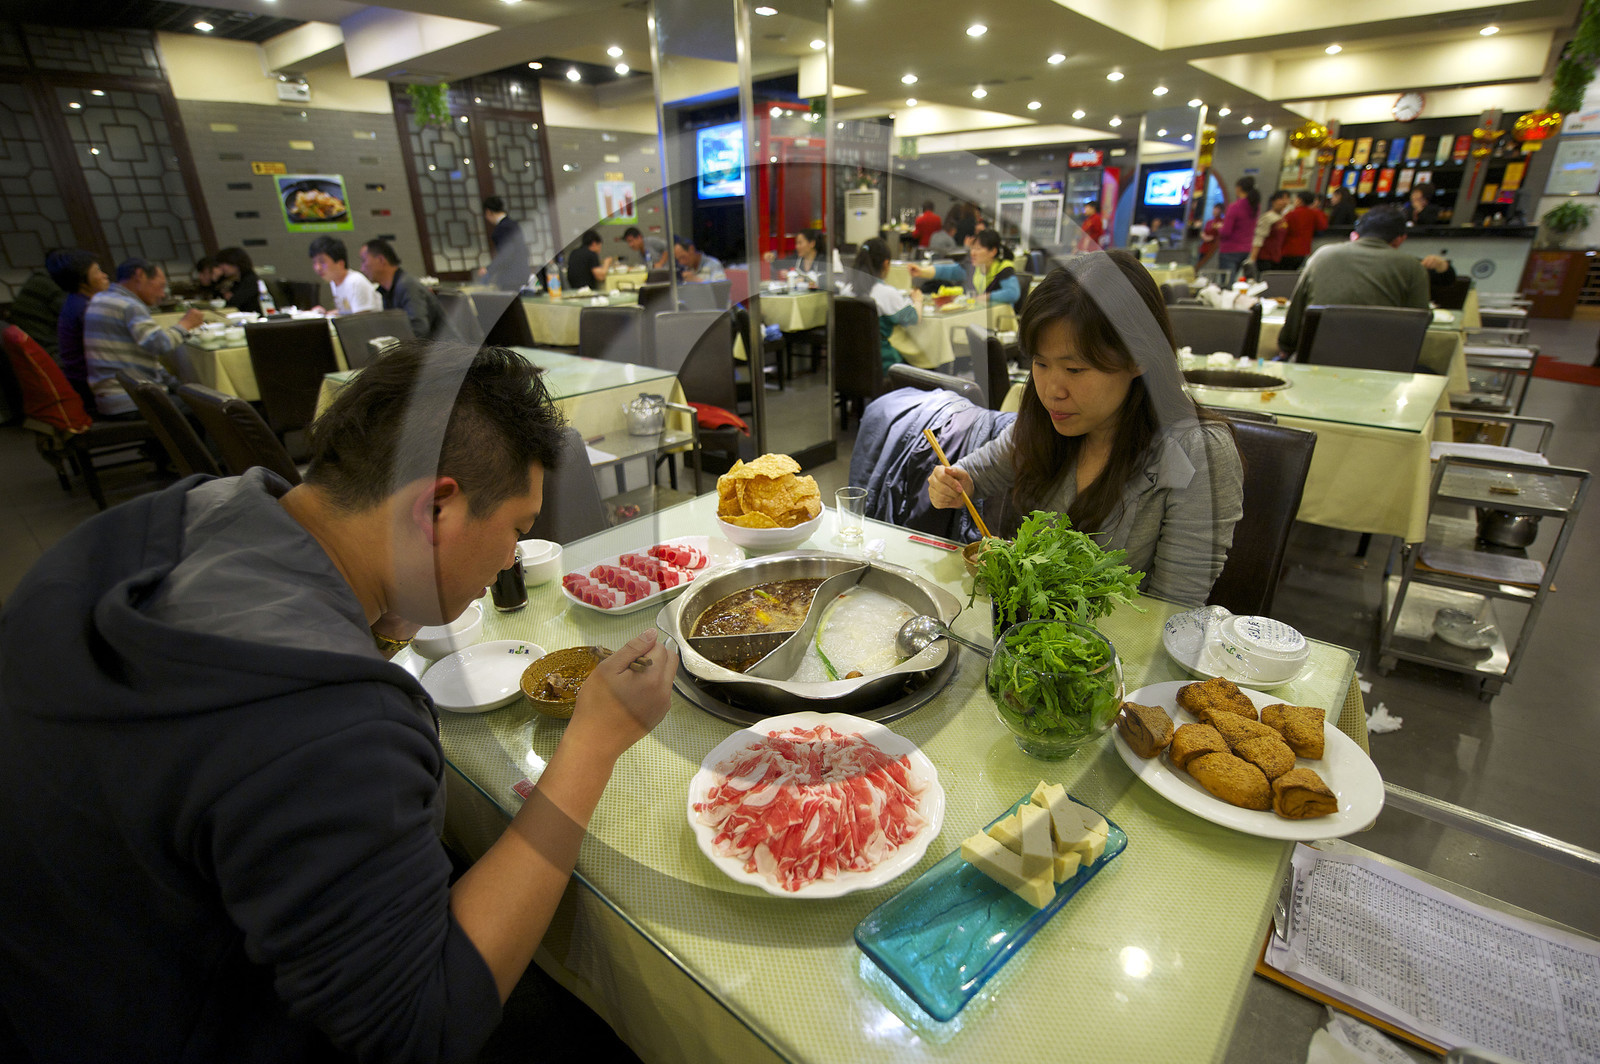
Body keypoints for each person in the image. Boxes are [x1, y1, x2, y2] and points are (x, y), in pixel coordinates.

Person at [0, 341, 678, 1061]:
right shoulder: (328, 720)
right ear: (437, 508)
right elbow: (423, 1027)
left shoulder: (185, 512)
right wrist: (591, 745)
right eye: (515, 528)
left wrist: (383, 608)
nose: (512, 556)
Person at [927, 251, 1243, 605]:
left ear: (1138, 358)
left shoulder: (1197, 453)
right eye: (1040, 363)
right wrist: (955, 482)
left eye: (1074, 369)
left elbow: (1171, 614)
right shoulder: (1049, 419)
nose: (1051, 391)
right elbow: (977, 472)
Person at [1276, 205, 1431, 358]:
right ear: (1399, 240)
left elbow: (1295, 313)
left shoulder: (1322, 256)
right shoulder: (1412, 267)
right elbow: (1418, 324)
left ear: (1356, 234)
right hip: (1381, 367)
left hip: (1314, 361)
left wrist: (1287, 347)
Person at [81, 258, 204, 417]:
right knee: (207, 410)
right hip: (131, 398)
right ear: (139, 275)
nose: (162, 294)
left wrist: (179, 386)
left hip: (110, 396)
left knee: (195, 399)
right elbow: (159, 344)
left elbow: (148, 359)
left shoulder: (100, 299)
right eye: (160, 286)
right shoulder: (129, 305)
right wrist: (186, 324)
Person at [45, 248, 110, 413]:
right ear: (82, 280)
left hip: (80, 382)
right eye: (98, 271)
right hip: (92, 389)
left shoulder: (75, 302)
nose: (105, 275)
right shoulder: (87, 309)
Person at [842, 236, 920, 373]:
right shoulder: (886, 293)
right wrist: (918, 300)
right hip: (882, 365)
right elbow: (913, 319)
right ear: (885, 264)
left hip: (847, 366)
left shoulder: (845, 291)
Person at [360, 238, 448, 340]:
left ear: (381, 260)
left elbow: (419, 332)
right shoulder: (387, 290)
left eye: (364, 261)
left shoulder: (407, 286)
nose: (362, 268)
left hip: (444, 351)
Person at [911, 229, 1021, 305]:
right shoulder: (974, 268)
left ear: (993, 251)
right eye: (972, 248)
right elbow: (949, 271)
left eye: (978, 249)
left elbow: (1012, 293)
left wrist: (986, 297)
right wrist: (921, 272)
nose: (973, 253)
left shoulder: (1004, 268)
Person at [308, 235, 382, 316]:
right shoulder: (334, 282)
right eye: (314, 262)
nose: (317, 268)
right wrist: (325, 314)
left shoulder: (355, 282)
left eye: (322, 262)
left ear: (340, 264)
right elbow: (347, 311)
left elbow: (362, 320)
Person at [479, 196, 532, 291]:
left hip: (510, 276)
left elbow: (506, 254)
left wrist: (488, 269)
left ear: (488, 212)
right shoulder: (513, 224)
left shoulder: (501, 228)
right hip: (522, 272)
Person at [1216, 177, 1259, 280]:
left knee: (1227, 282)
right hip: (1246, 249)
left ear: (1239, 188)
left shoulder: (1234, 207)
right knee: (1239, 281)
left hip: (1230, 249)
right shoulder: (1255, 207)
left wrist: (1219, 228)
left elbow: (1226, 232)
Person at [1278, 191, 1328, 270]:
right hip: (1304, 250)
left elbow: (1281, 230)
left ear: (1300, 200)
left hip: (1288, 250)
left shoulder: (1291, 214)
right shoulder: (1314, 213)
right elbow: (1323, 226)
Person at [764, 228, 828, 284]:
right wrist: (772, 258)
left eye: (800, 243)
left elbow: (824, 280)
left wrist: (804, 280)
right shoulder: (796, 259)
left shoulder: (823, 260)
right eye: (796, 243)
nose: (797, 247)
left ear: (812, 244)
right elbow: (780, 264)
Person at [1248, 189, 1290, 273]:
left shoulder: (1283, 218)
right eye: (1281, 199)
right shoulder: (1267, 217)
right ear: (1273, 201)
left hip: (1276, 257)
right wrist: (1252, 259)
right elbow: (1258, 238)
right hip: (1265, 258)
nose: (1284, 202)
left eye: (1287, 199)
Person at [213, 246, 264, 315]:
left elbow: (234, 302)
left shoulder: (250, 279)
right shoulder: (236, 281)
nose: (221, 268)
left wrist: (231, 297)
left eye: (223, 264)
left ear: (234, 262)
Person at [1195, 203, 1225, 272]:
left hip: (1213, 248)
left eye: (1217, 209)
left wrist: (1213, 237)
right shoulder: (1209, 222)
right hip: (1204, 247)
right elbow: (1204, 232)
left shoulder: (1222, 222)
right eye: (1214, 209)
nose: (1215, 211)